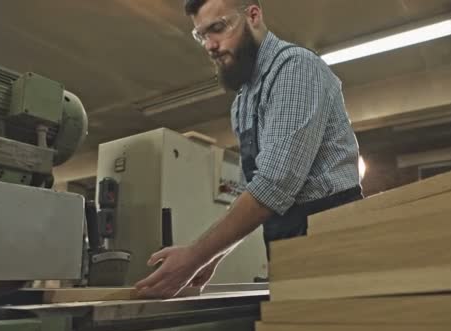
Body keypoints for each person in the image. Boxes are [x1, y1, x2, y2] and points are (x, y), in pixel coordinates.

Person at [135, 0, 363, 298]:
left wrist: (195, 256)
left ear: (253, 15)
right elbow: (256, 193)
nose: (209, 45)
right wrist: (215, 255)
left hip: (334, 242)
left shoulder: (294, 68)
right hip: (287, 247)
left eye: (217, 28)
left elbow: (274, 185)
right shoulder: (242, 103)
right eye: (201, 35)